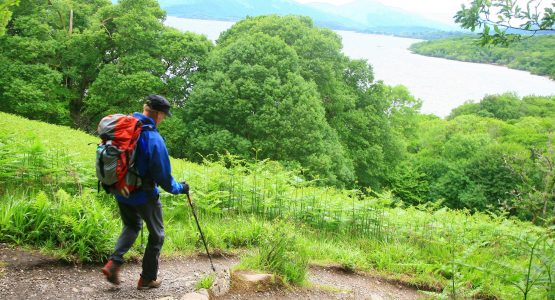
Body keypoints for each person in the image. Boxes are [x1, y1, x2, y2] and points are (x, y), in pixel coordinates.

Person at [101, 94, 189, 290]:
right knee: (157, 235)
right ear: (157, 114)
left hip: (121, 188)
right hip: (144, 194)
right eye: (164, 115)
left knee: (132, 225)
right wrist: (180, 188)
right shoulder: (152, 138)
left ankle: (113, 263)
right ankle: (147, 278)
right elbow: (164, 177)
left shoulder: (125, 127)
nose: (164, 119)